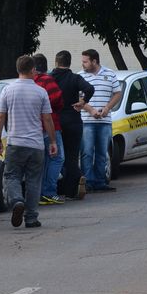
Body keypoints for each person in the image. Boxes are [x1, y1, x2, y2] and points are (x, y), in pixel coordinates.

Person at [0, 56, 57, 229]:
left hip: (15, 143)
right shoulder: (41, 91)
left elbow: (0, 116)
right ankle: (31, 218)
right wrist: (53, 141)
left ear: (17, 70)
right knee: (33, 181)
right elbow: (47, 119)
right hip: (36, 144)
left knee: (11, 176)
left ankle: (16, 201)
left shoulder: (8, 90)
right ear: (32, 70)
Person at [50, 50, 94, 199]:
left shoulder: (49, 78)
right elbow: (89, 88)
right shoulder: (75, 78)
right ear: (69, 63)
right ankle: (71, 189)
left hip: (54, 122)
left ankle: (54, 189)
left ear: (56, 62)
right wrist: (83, 101)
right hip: (73, 121)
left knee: (54, 157)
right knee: (72, 156)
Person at [78, 49, 122, 192]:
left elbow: (117, 93)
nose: (83, 64)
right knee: (87, 152)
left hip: (104, 121)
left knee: (102, 152)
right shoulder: (80, 76)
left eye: (85, 61)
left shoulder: (109, 74)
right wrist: (91, 110)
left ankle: (100, 182)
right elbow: (77, 98)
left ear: (94, 61)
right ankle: (88, 182)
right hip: (86, 121)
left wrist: (108, 108)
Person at [31, 55, 65, 205]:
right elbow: (58, 101)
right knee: (57, 158)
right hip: (50, 125)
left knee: (42, 161)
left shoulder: (27, 82)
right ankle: (49, 192)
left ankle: (38, 194)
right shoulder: (47, 81)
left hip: (33, 127)